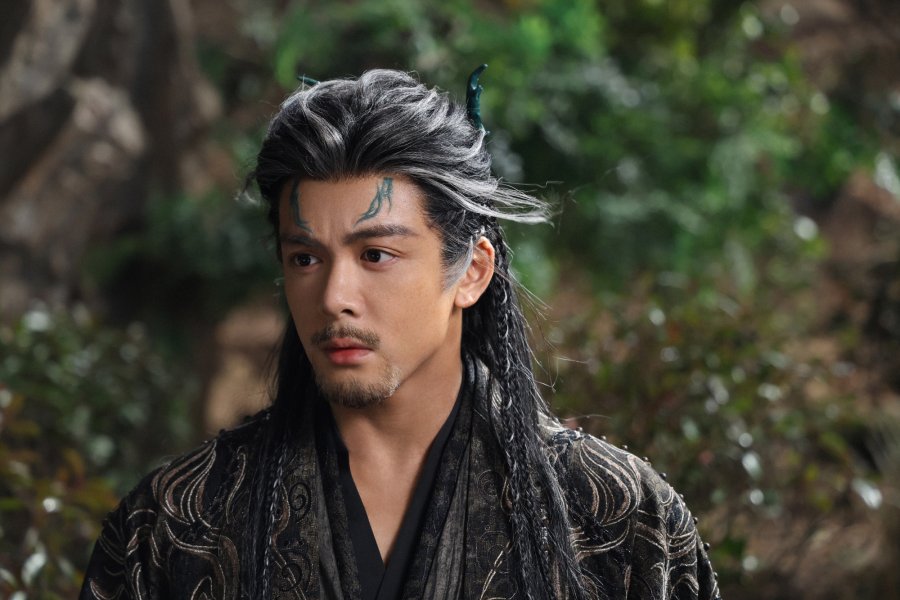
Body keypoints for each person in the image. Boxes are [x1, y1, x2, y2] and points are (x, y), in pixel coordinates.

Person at [80, 69, 721, 600]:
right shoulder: (176, 521)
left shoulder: (619, 518)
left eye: (376, 255)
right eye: (305, 257)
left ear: (471, 272)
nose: (334, 296)